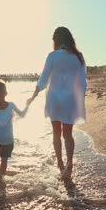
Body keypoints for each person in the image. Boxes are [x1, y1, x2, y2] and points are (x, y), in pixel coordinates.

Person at [27, 27, 87, 179]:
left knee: (56, 133)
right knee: (68, 134)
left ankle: (60, 163)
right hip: (70, 100)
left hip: (54, 99)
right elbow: (82, 82)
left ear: (56, 40)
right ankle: (70, 164)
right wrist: (80, 99)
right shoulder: (78, 57)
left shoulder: (52, 56)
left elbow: (43, 78)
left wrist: (33, 95)